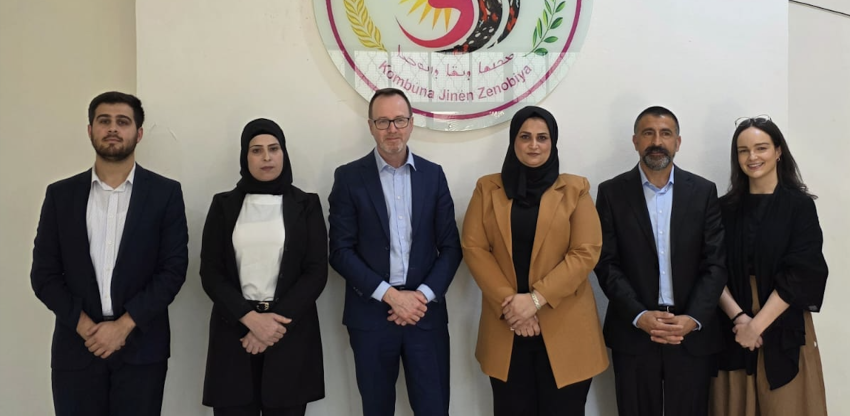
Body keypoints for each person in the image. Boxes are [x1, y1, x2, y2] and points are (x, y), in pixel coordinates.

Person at [31, 91, 189, 416]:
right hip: (76, 348)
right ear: (90, 130)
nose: (113, 129)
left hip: (142, 348)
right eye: (104, 121)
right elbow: (44, 275)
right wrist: (86, 326)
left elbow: (173, 270)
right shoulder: (61, 196)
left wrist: (123, 326)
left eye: (123, 121)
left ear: (139, 133)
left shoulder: (165, 194)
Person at [462, 106, 609, 416]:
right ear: (513, 142)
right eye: (525, 137)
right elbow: (475, 248)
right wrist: (514, 305)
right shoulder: (487, 189)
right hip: (508, 326)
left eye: (542, 138)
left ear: (553, 143)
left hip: (565, 328)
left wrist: (536, 300)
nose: (533, 145)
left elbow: (585, 251)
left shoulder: (575, 189)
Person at [328, 88, 462, 416]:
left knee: (434, 409)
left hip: (424, 315)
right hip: (371, 316)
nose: (392, 129)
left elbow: (450, 247)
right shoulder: (348, 178)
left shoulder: (433, 175)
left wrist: (421, 297)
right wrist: (390, 296)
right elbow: (340, 251)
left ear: (412, 123)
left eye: (399, 120)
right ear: (370, 126)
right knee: (376, 409)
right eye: (383, 121)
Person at [594, 106, 726, 416]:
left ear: (678, 142)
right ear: (635, 141)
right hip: (634, 330)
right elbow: (606, 263)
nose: (657, 141)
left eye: (665, 133)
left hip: (690, 333)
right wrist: (639, 314)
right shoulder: (611, 193)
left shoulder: (704, 192)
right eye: (648, 133)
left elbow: (716, 263)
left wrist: (692, 318)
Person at [200, 118, 327, 416]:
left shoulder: (306, 205)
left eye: (274, 148)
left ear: (284, 153)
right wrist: (251, 320)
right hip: (234, 334)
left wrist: (272, 324)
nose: (266, 157)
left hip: (290, 334)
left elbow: (316, 271)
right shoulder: (223, 205)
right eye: (256, 150)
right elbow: (211, 272)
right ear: (245, 157)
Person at [709, 116, 828, 416]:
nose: (752, 157)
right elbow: (711, 268)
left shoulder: (799, 206)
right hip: (733, 324)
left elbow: (803, 272)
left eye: (761, 148)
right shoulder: (723, 208)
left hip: (782, 319)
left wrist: (757, 325)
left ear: (778, 152)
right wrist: (739, 319)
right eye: (743, 150)